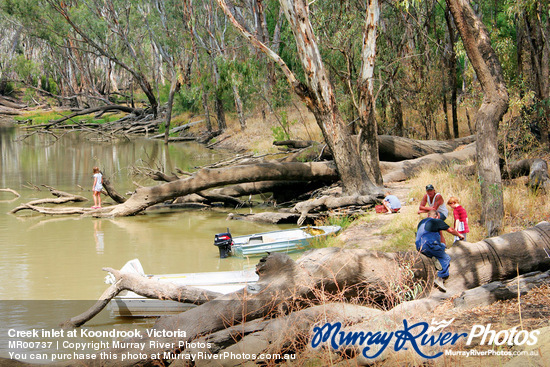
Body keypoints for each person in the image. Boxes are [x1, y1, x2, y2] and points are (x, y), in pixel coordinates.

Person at [415, 210, 464, 292]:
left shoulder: (422, 222)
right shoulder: (437, 221)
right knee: (446, 258)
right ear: (437, 216)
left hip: (419, 246)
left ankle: (434, 257)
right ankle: (440, 278)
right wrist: (460, 235)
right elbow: (451, 230)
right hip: (429, 245)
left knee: (442, 246)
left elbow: (439, 237)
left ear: (428, 215)